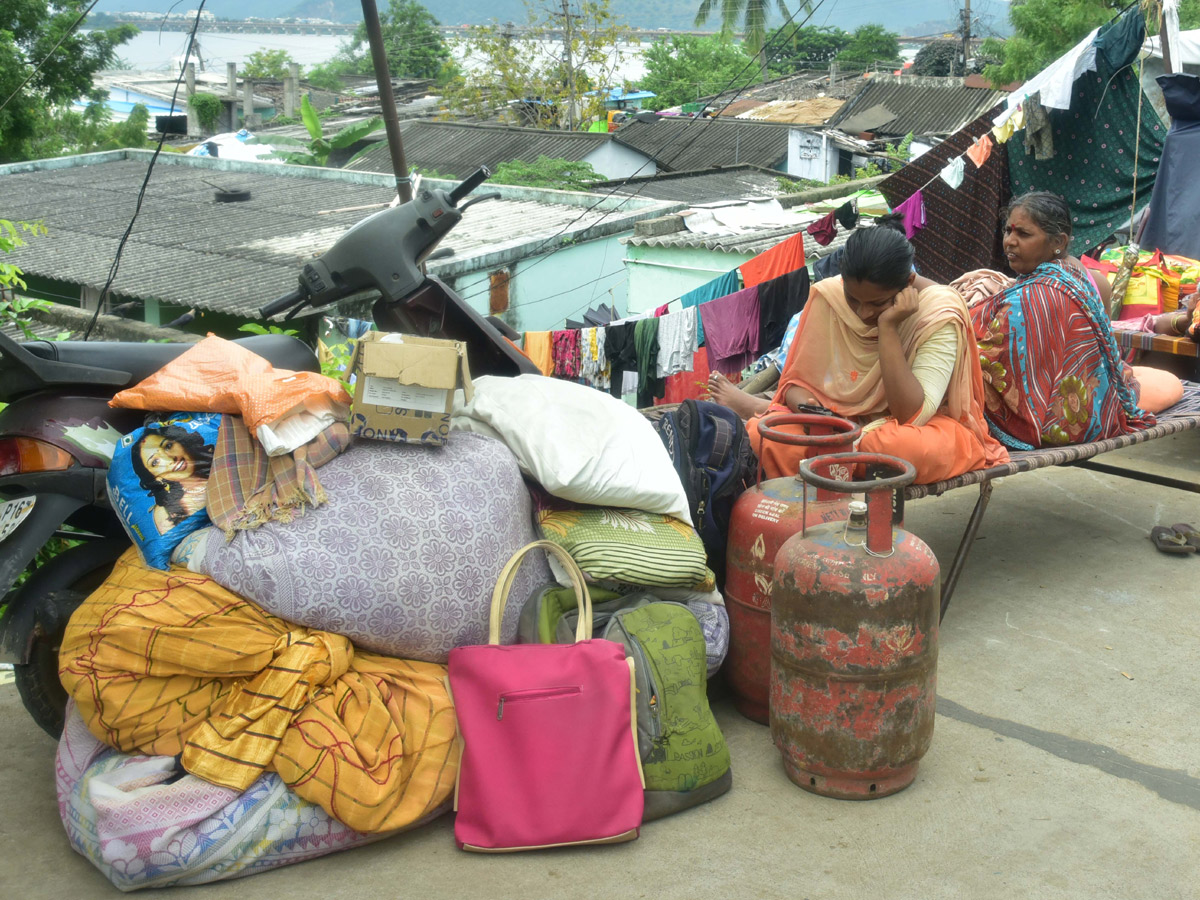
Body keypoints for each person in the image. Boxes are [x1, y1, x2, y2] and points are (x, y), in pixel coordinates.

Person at [730, 222, 1007, 483]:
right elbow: (795, 384)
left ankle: (837, 459)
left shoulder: (939, 312)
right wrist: (817, 414)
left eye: (877, 303)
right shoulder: (829, 297)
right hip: (835, 424)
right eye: (853, 299)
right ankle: (833, 473)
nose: (863, 313)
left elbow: (913, 415)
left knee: (899, 449)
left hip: (907, 431)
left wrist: (888, 327)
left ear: (909, 282)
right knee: (765, 435)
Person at [966, 191, 1183, 450]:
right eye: (1007, 231)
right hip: (1093, 396)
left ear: (1058, 241)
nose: (1010, 241)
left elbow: (982, 367)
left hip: (1054, 419)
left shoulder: (1032, 297)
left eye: (1023, 234)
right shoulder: (1072, 273)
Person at [130, 425, 214, 534]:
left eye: (168, 446)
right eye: (155, 462)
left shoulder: (222, 460)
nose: (169, 458)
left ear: (182, 442)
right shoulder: (167, 512)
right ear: (156, 478)